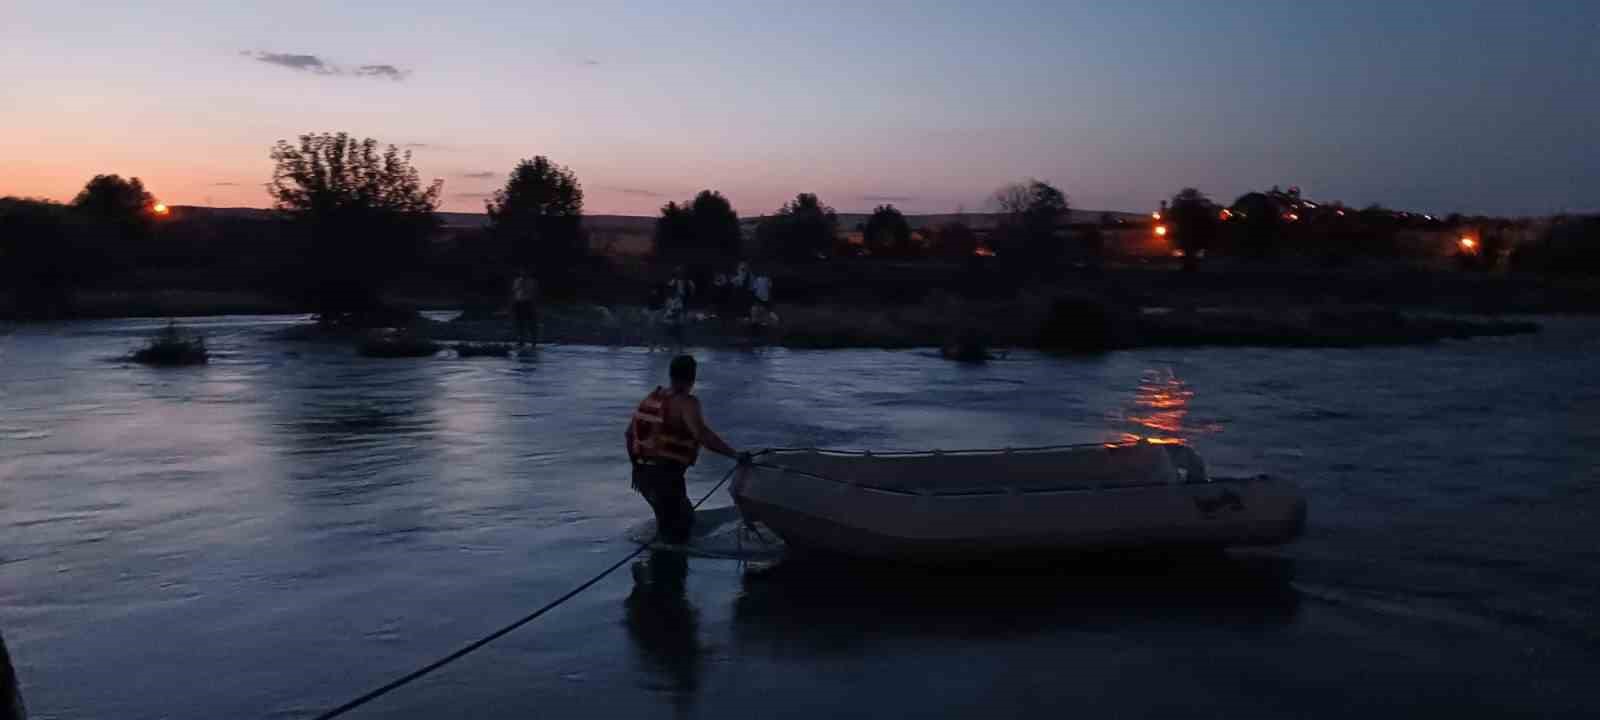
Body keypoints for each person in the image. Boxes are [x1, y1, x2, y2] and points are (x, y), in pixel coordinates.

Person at [625, 355, 741, 545]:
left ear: (671, 375)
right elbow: (702, 435)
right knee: (678, 531)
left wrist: (636, 468)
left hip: (644, 476)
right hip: (666, 477)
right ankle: (665, 560)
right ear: (692, 377)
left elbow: (629, 434)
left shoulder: (651, 398)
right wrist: (735, 455)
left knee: (675, 521)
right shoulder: (687, 403)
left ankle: (657, 555)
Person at [510, 268, 539, 345]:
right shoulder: (517, 281)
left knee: (530, 322)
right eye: (522, 271)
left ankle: (534, 340)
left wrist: (534, 303)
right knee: (520, 322)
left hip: (528, 303)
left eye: (525, 272)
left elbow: (533, 292)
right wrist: (513, 303)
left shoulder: (531, 281)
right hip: (519, 303)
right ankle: (521, 340)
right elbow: (514, 291)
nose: (523, 273)